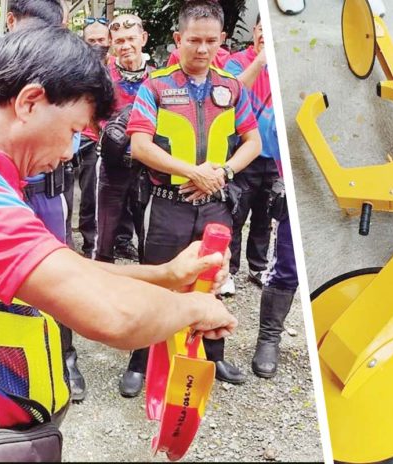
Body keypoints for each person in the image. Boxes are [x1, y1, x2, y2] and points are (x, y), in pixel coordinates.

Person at [0, 27, 236, 462]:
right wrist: (198, 309)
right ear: (30, 102)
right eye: (74, 129)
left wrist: (166, 276)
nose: (71, 152)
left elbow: (63, 270)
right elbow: (111, 316)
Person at [0, 0, 89, 402]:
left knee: (58, 273)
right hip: (7, 187)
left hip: (45, 191)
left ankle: (65, 356)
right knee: (9, 286)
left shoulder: (64, 86)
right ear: (11, 22)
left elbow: (71, 138)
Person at [127, 0, 262, 390]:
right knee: (155, 282)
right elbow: (139, 145)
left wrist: (224, 172)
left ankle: (212, 358)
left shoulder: (232, 87)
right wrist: (192, 172)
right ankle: (141, 360)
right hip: (168, 205)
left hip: (216, 204)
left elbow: (252, 141)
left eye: (209, 41)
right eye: (193, 40)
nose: (201, 49)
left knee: (213, 281)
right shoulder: (156, 86)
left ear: (221, 40)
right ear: (177, 39)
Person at [221, 15, 279, 295]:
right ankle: (228, 270)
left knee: (264, 215)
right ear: (254, 31)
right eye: (260, 29)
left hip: (274, 158)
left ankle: (258, 266)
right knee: (235, 213)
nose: (264, 35)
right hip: (243, 154)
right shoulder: (235, 61)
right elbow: (231, 94)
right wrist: (260, 61)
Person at [93, 14, 153, 264]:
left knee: (148, 233)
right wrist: (107, 135)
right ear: (111, 44)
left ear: (143, 38)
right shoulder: (102, 77)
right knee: (104, 234)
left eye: (130, 39)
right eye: (119, 40)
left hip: (147, 167)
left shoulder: (159, 78)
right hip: (111, 164)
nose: (125, 45)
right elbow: (91, 113)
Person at [76, 17, 110, 257]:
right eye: (92, 40)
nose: (97, 44)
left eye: (101, 39)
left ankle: (91, 246)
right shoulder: (73, 67)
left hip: (98, 142)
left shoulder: (118, 69)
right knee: (62, 197)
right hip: (74, 137)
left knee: (92, 196)